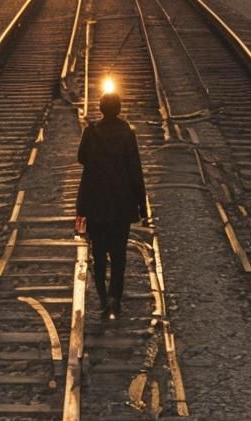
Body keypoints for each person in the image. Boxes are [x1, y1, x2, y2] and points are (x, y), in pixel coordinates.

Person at [76, 91, 147, 320]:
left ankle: (103, 296)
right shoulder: (127, 134)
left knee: (98, 254)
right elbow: (135, 171)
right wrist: (142, 206)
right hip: (121, 205)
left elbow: (81, 158)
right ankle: (115, 296)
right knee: (119, 255)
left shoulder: (91, 132)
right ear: (119, 109)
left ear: (100, 108)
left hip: (94, 204)